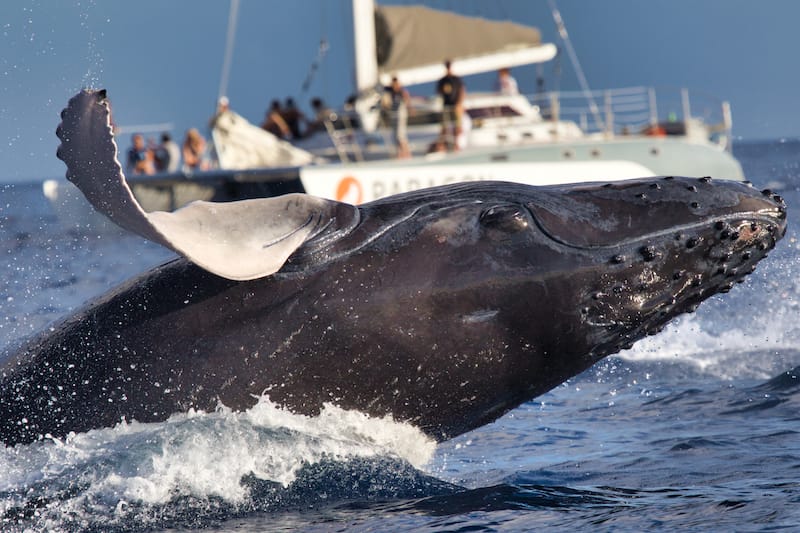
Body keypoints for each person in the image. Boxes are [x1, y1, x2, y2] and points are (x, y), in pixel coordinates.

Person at [436, 60, 465, 151]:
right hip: (446, 106)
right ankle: (444, 145)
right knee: (444, 126)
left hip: (455, 106)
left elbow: (462, 91)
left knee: (456, 127)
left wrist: (459, 103)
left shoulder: (456, 79)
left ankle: (456, 145)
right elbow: (439, 92)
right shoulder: (442, 80)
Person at [383, 76, 411, 158]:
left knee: (400, 134)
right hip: (393, 114)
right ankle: (399, 153)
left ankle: (406, 153)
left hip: (400, 114)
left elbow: (406, 99)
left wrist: (409, 107)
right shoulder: (389, 91)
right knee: (395, 135)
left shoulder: (401, 91)